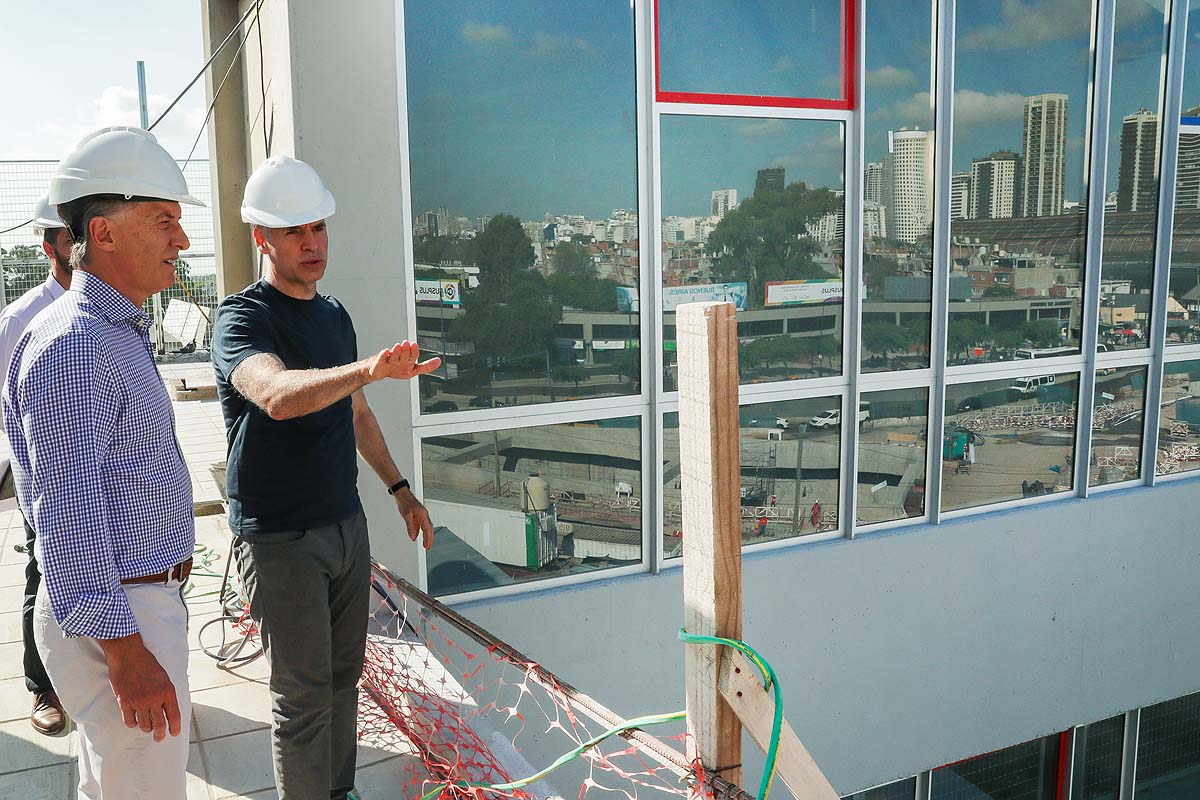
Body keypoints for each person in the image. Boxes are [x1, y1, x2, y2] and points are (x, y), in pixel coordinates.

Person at [211, 154, 440, 800]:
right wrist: (367, 369)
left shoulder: (333, 315)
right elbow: (277, 393)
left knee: (344, 681)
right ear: (263, 239)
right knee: (303, 699)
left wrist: (399, 490)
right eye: (294, 233)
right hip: (280, 538)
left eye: (318, 229)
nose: (312, 245)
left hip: (345, 526)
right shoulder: (241, 319)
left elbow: (357, 413)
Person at [3, 126, 201, 799]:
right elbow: (67, 509)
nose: (181, 240)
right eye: (164, 220)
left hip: (134, 602)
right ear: (105, 233)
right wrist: (124, 649)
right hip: (118, 611)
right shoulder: (76, 345)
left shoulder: (112, 332)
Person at [0, 195, 73, 736]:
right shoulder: (23, 318)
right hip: (46, 476)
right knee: (44, 572)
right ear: (49, 247)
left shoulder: (118, 305)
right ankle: (43, 686)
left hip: (106, 481)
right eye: (65, 234)